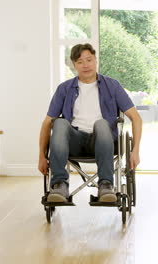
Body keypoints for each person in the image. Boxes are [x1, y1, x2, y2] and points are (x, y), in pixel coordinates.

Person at [38, 43, 142, 203]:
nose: (85, 65)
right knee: (58, 123)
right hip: (74, 141)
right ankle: (59, 184)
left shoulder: (112, 86)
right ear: (73, 65)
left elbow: (136, 118)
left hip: (103, 140)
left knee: (102, 123)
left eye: (89, 60)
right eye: (80, 62)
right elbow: (46, 124)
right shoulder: (64, 89)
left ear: (95, 61)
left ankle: (106, 184)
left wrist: (135, 151)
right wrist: (41, 156)